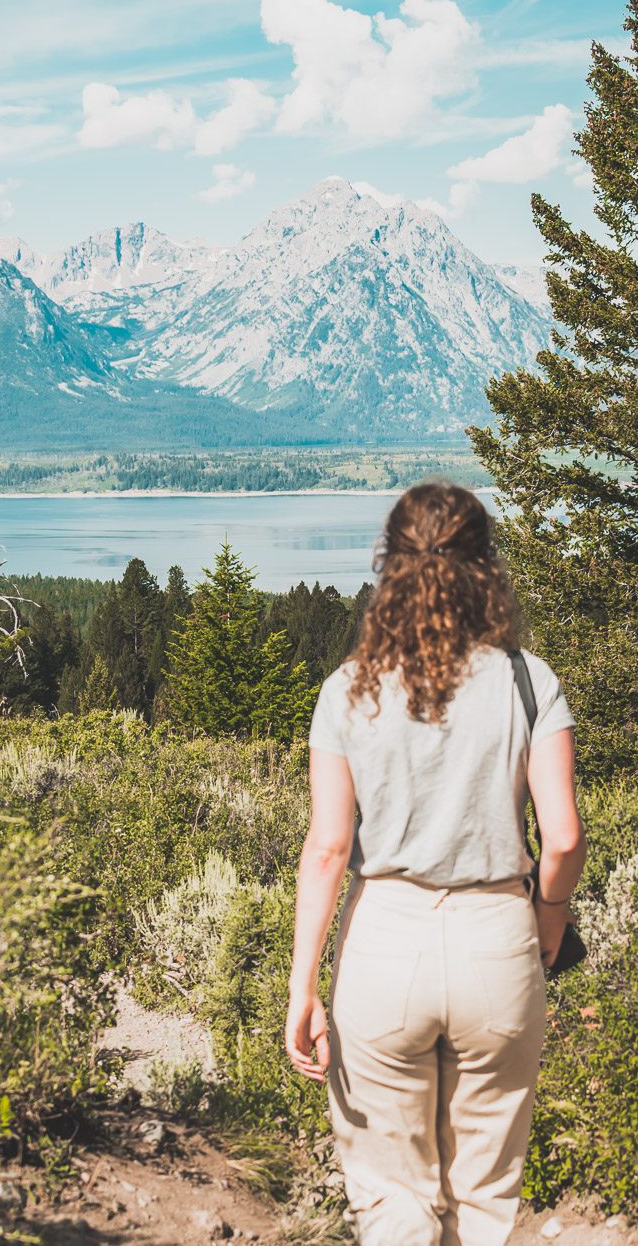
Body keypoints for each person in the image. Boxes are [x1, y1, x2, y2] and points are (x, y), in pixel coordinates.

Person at [284, 482, 586, 1246]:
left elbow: (326, 850)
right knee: (484, 1197)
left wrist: (302, 987)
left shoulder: (345, 690)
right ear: (485, 566)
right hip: (498, 939)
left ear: (392, 567)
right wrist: (548, 925)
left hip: (384, 941)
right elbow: (563, 841)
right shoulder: (529, 681)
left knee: (392, 1198)